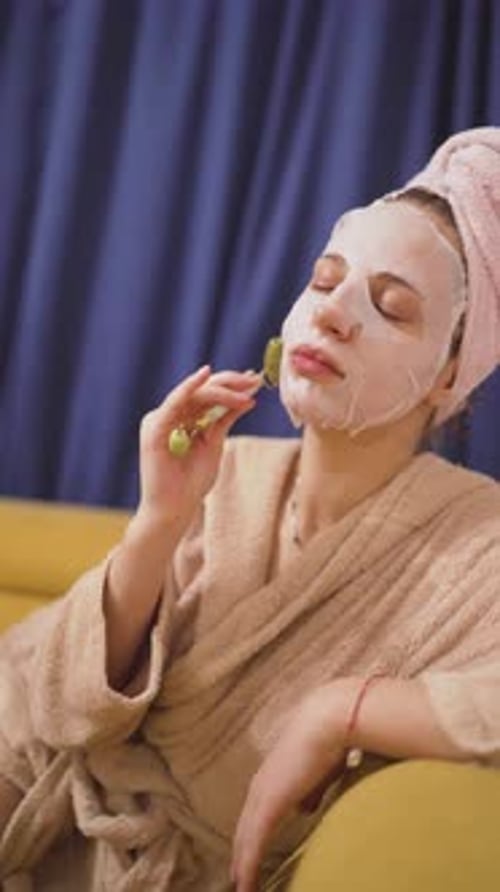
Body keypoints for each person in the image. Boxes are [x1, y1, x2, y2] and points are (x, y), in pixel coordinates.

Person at [2, 126, 500, 892]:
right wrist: (159, 520)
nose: (335, 313)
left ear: (449, 379)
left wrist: (345, 708)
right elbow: (61, 709)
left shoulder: (480, 542)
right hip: (38, 790)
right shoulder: (226, 471)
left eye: (392, 309)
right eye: (325, 279)